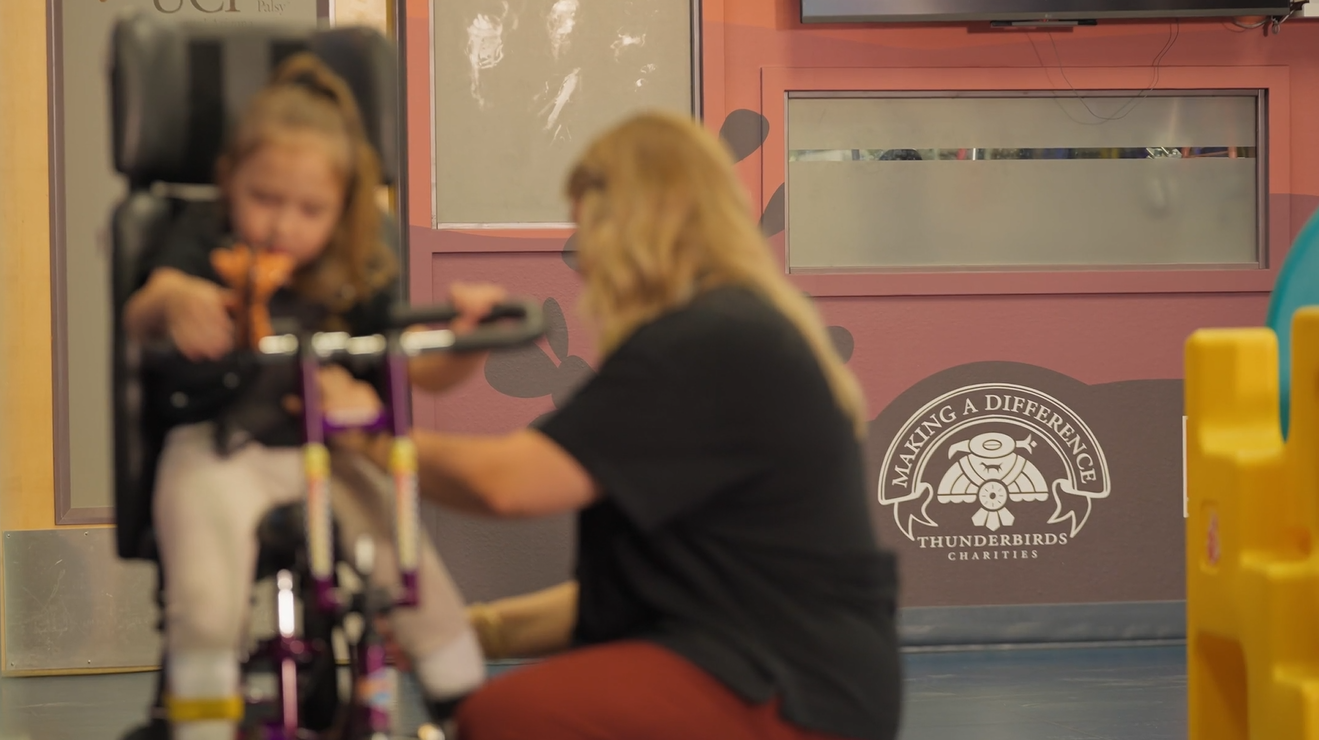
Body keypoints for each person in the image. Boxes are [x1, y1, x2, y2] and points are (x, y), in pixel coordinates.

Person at [339, 110, 903, 740]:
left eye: (588, 231)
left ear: (630, 222)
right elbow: (648, 590)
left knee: (505, 718)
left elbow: (507, 485)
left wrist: (355, 430)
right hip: (798, 673)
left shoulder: (707, 341)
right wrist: (472, 629)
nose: (583, 262)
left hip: (786, 689)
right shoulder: (731, 329)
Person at [121, 53, 489, 740]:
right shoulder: (204, 234)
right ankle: (201, 726)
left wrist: (465, 340)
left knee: (424, 594)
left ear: (342, 207)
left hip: (335, 453)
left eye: (310, 209)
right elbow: (139, 314)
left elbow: (421, 375)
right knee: (205, 608)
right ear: (230, 182)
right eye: (264, 199)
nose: (281, 225)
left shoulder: (363, 256)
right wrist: (173, 297)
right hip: (217, 446)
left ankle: (470, 714)